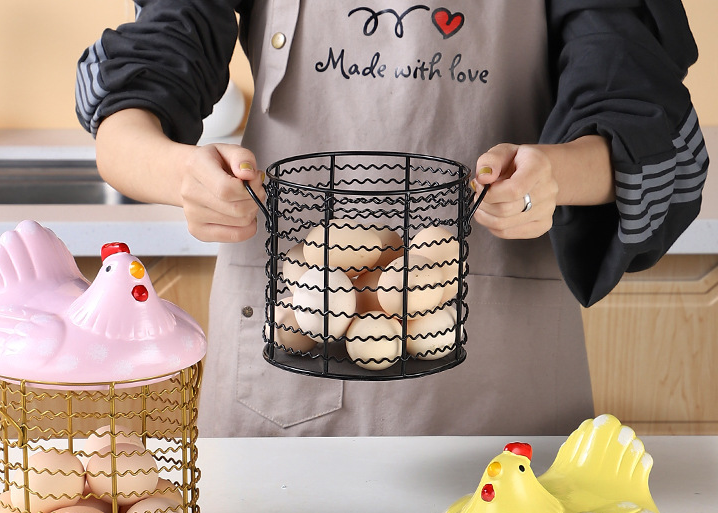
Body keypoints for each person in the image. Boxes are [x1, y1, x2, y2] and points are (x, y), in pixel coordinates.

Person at [76, 0, 708, 437]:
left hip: (500, 391)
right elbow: (139, 91)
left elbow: (639, 114)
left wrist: (554, 175)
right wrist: (181, 175)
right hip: (287, 362)